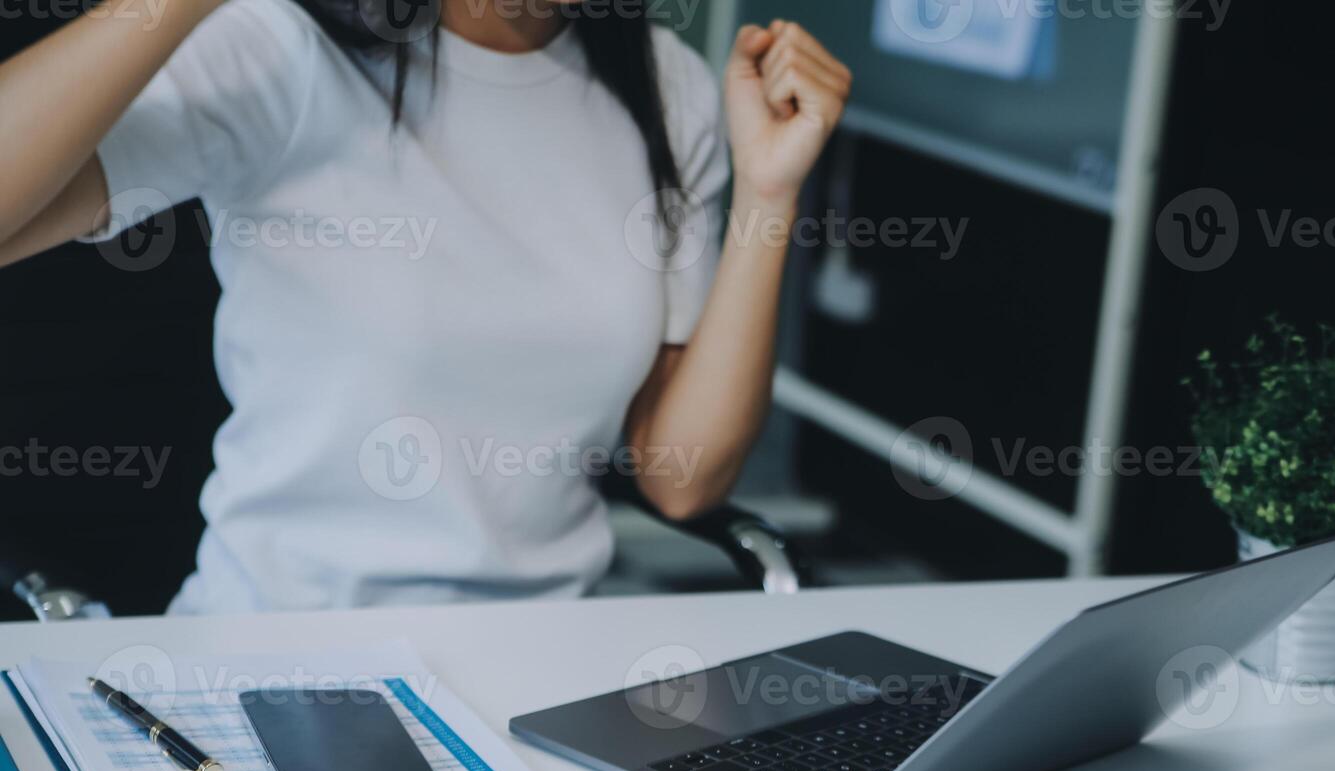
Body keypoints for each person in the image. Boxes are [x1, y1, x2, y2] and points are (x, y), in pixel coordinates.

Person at [0, 0, 851, 613]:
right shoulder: (280, 46)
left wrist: (770, 193)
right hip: (276, 653)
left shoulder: (671, 89)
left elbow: (682, 479)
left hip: (542, 672)